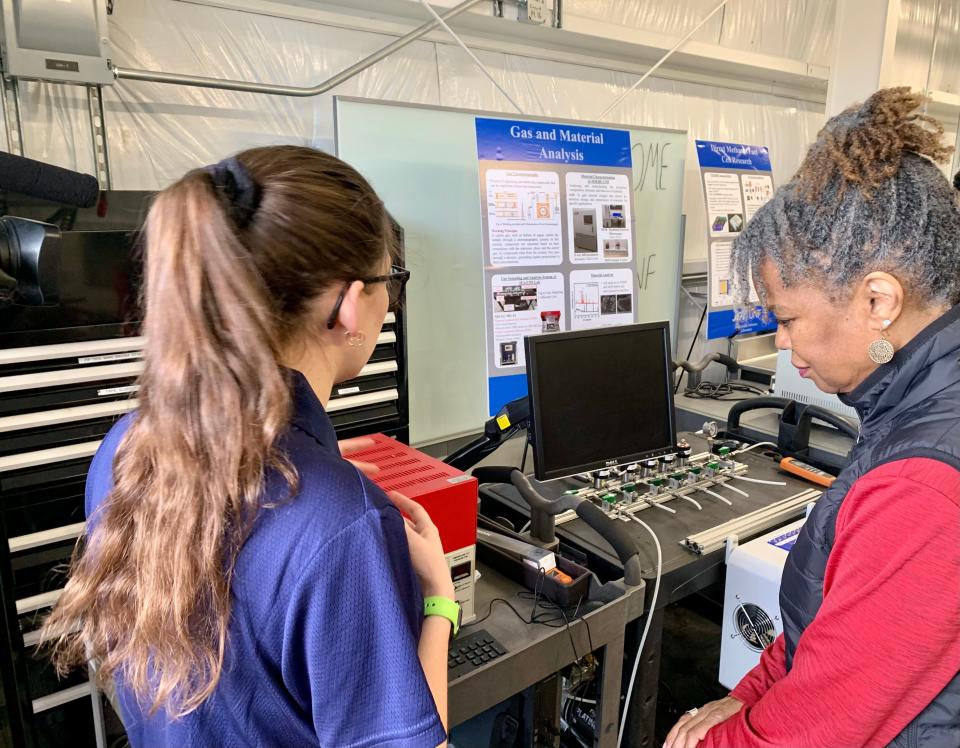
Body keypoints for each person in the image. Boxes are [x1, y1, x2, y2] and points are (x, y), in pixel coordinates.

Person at [42, 146, 453, 747]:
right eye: (391, 282)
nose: (391, 302)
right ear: (347, 306)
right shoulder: (343, 523)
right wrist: (440, 601)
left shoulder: (123, 447)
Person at [666, 87, 960, 748]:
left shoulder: (925, 485)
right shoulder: (911, 400)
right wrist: (745, 699)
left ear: (878, 299)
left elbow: (808, 736)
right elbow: (822, 635)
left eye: (789, 319)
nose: (784, 343)